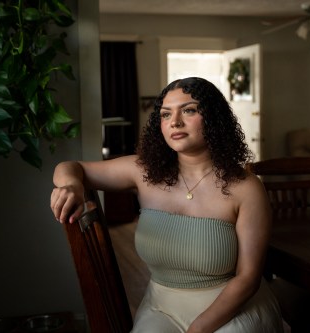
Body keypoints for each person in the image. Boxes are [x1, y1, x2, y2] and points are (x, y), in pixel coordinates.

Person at [50, 77, 283, 333]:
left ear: (215, 118)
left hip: (232, 309)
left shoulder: (247, 187)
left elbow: (248, 279)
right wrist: (71, 185)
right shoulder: (143, 172)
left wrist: (198, 329)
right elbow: (70, 167)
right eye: (165, 114)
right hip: (162, 308)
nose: (175, 121)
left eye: (189, 110)